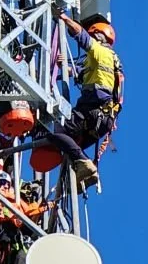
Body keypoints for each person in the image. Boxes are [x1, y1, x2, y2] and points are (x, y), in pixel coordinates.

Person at [49, 13, 124, 187]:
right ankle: (87, 174)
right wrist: (66, 67)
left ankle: (86, 166)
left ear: (98, 37)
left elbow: (80, 35)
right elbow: (82, 74)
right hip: (103, 119)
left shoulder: (101, 51)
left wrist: (64, 18)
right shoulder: (109, 60)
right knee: (73, 146)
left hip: (93, 111)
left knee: (56, 132)